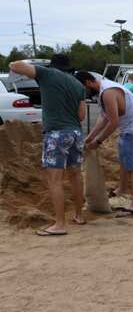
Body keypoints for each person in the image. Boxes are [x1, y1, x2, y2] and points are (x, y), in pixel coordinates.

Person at [9, 54, 87, 236]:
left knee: (55, 180)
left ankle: (59, 224)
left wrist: (29, 62)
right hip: (75, 133)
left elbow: (15, 65)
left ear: (53, 66)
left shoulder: (48, 74)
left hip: (56, 133)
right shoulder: (78, 84)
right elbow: (82, 115)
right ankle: (79, 215)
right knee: (76, 175)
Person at [76, 71, 133, 216]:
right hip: (128, 129)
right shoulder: (103, 91)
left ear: (88, 83)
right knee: (124, 160)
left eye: (83, 89)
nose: (84, 93)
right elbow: (103, 118)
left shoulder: (108, 93)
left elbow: (113, 122)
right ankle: (121, 190)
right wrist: (89, 138)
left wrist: (97, 141)